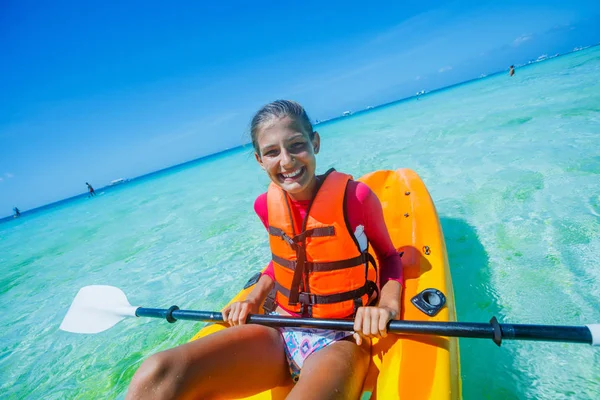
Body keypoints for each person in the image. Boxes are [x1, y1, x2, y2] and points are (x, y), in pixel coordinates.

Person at [126, 100, 404, 400]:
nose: (286, 161)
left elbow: (388, 257)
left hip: (342, 334)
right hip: (280, 326)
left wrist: (386, 307)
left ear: (315, 143)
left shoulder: (357, 198)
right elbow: (284, 262)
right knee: (156, 373)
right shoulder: (265, 206)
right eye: (272, 152)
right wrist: (253, 298)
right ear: (260, 160)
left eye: (296, 145)